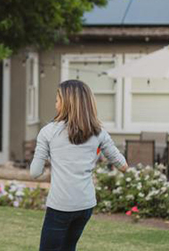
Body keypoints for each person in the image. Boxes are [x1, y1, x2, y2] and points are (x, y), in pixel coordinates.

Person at [30, 79, 128, 251]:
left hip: (60, 204)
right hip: (85, 204)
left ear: (67, 103)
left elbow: (34, 172)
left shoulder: (48, 132)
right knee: (69, 247)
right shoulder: (99, 132)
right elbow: (123, 165)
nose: (55, 104)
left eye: (57, 99)